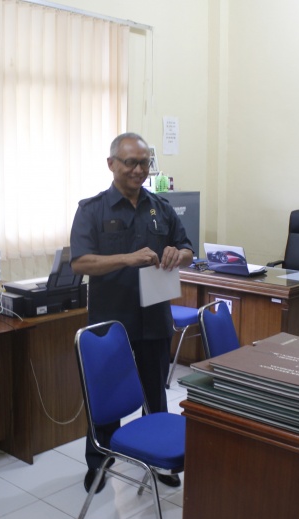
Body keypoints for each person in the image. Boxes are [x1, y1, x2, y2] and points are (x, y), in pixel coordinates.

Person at [70, 132, 193, 493]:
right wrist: (127, 258)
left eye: (144, 163)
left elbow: (188, 249)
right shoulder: (92, 210)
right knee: (107, 400)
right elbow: (80, 262)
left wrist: (178, 255)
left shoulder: (161, 208)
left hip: (154, 320)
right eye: (130, 163)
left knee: (155, 395)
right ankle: (99, 462)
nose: (139, 170)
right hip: (110, 325)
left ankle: (158, 460)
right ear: (112, 164)